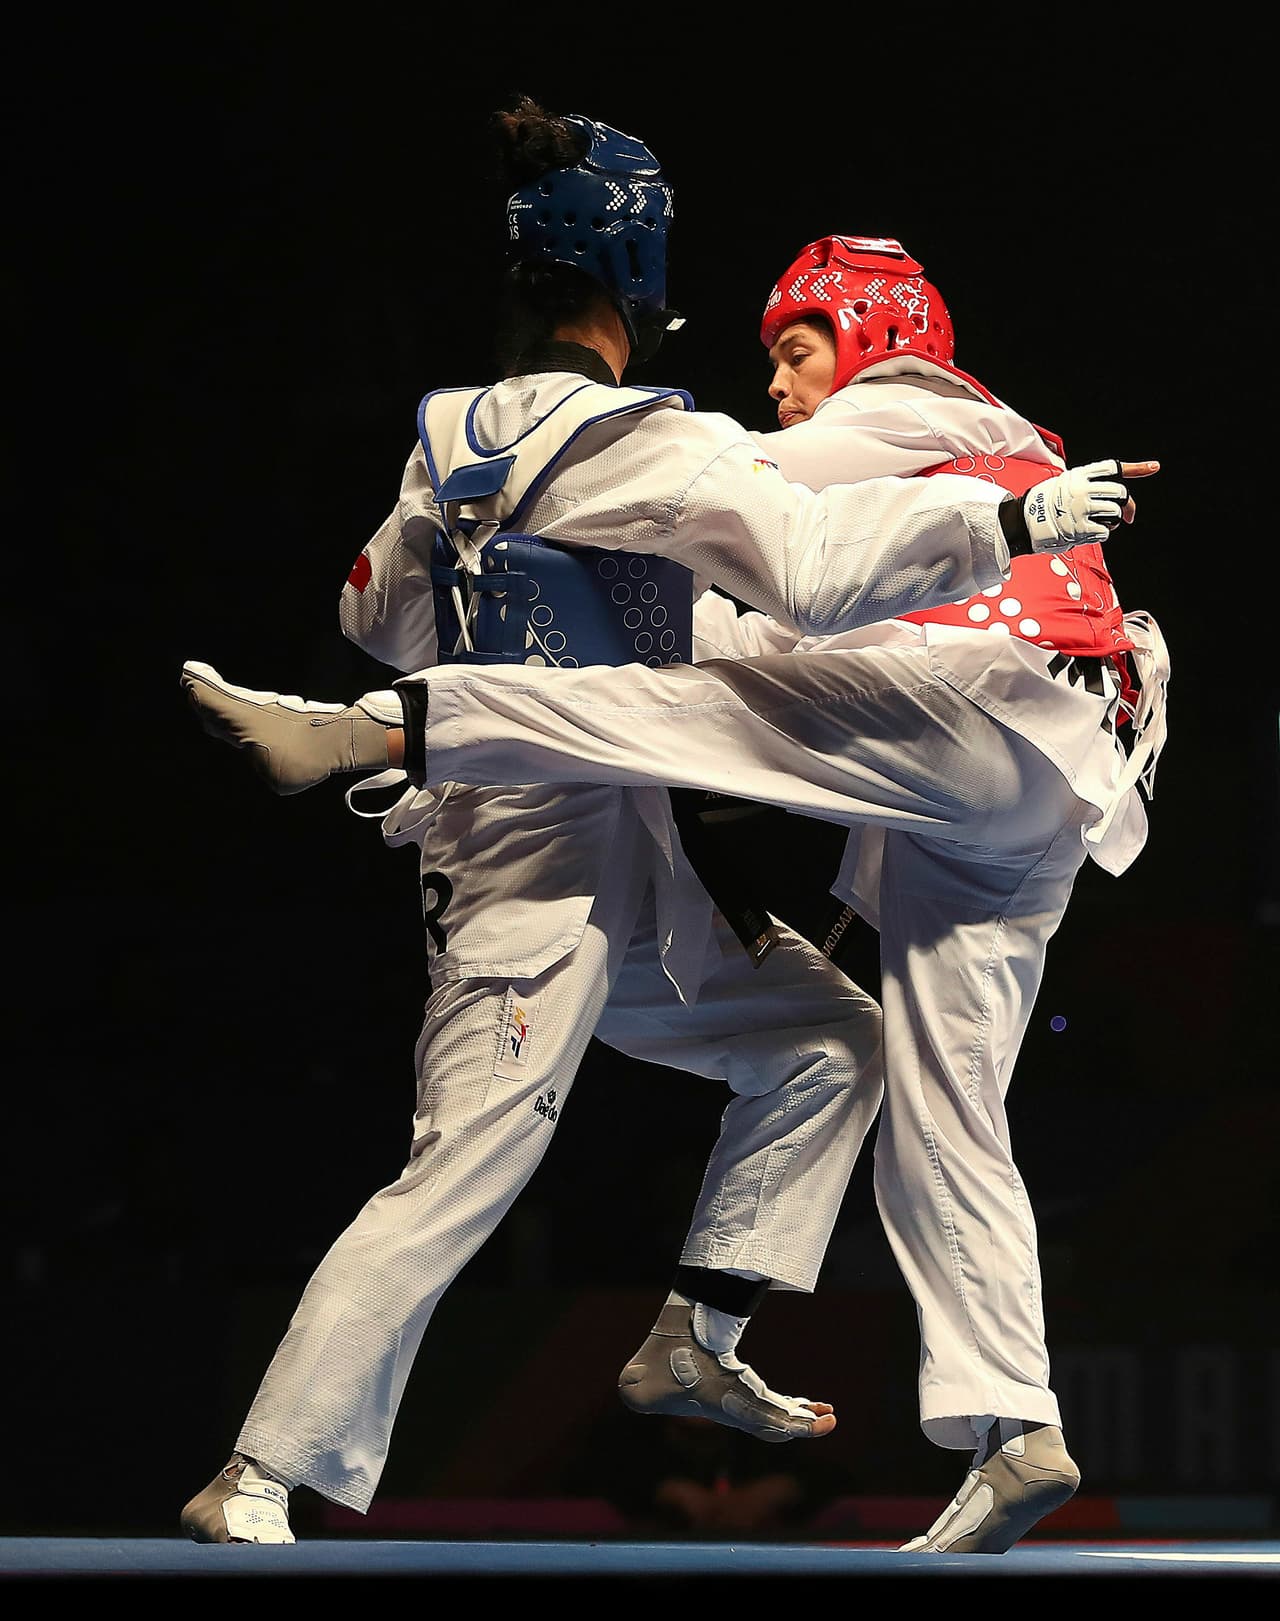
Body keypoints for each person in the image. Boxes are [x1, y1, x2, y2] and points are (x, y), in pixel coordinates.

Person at [177, 104, 1127, 1547]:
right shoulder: (648, 439)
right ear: (639, 275)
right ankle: (257, 1472)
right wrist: (1006, 525)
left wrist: (514, 587)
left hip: (601, 841)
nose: (777, 382)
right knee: (466, 1168)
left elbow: (376, 607)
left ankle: (697, 1331)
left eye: (798, 350)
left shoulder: (446, 439)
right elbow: (810, 566)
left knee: (829, 1040)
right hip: (544, 866)